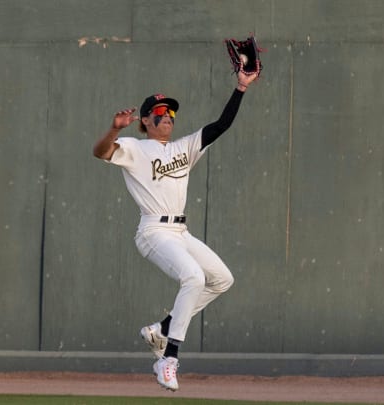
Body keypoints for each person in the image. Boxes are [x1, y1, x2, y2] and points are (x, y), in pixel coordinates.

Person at [92, 69, 259, 391]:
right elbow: (100, 153)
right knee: (194, 277)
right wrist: (113, 129)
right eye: (159, 112)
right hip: (153, 231)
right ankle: (168, 358)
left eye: (170, 112)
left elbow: (220, 126)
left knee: (222, 279)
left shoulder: (185, 147)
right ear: (145, 121)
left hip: (180, 232)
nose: (167, 116)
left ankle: (162, 328)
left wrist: (240, 87)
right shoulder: (133, 147)